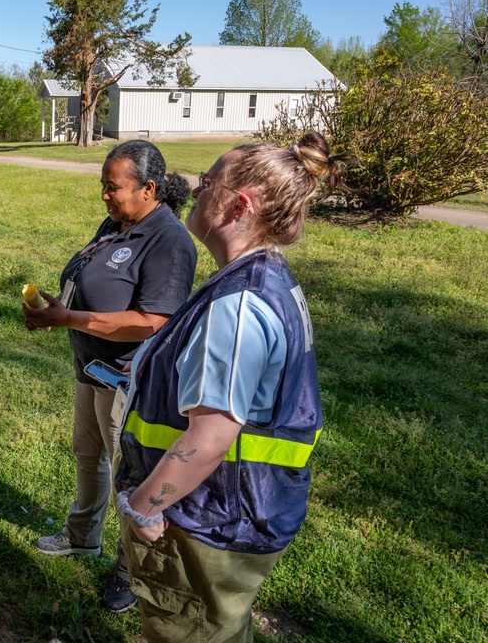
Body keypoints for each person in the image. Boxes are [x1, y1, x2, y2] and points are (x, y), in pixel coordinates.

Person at [115, 132, 347, 641]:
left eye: (209, 182)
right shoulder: (266, 277)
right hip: (241, 511)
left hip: (207, 522)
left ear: (239, 206)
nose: (195, 190)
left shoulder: (238, 305)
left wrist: (142, 506)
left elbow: (210, 436)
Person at [23, 140, 198, 612]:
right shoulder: (118, 223)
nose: (104, 196)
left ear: (149, 188)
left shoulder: (169, 242)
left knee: (129, 477)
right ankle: (83, 537)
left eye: (112, 187)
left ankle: (130, 571)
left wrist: (72, 320)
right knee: (88, 456)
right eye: (103, 185)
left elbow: (153, 322)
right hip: (91, 369)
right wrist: (55, 313)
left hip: (127, 381)